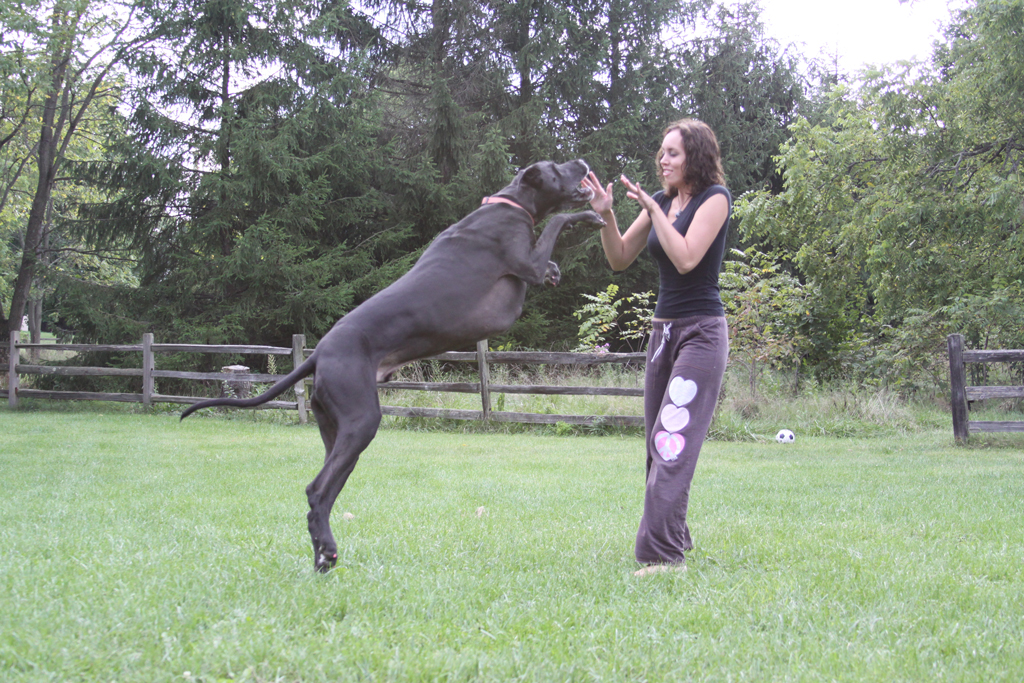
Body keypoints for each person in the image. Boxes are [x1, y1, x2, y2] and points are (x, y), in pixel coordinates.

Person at [582, 118, 731, 576]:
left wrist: (651, 205)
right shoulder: (663, 202)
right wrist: (607, 212)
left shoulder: (715, 200)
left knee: (672, 441)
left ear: (696, 157)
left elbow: (686, 258)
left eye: (672, 153)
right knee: (657, 445)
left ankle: (664, 556)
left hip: (702, 334)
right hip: (663, 332)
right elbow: (619, 258)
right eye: (661, 152)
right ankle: (677, 533)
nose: (662, 160)